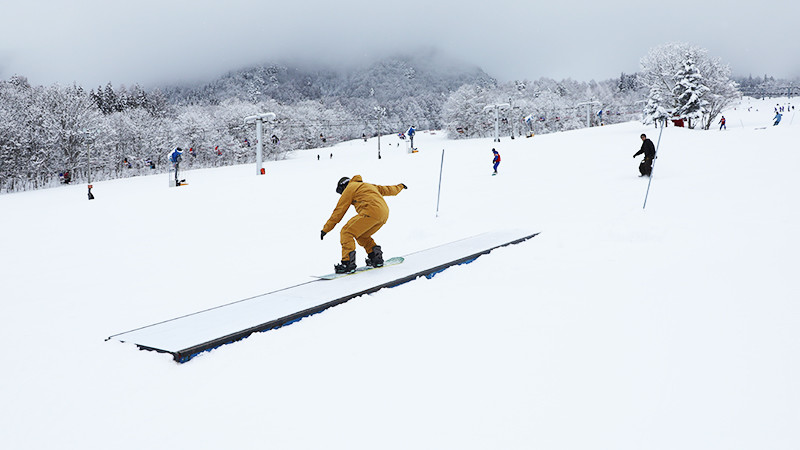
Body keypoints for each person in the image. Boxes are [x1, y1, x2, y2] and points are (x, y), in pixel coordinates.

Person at [320, 175, 406, 274]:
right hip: (384, 214)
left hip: (370, 212)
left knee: (346, 232)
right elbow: (388, 190)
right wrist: (400, 186)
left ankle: (347, 263)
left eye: (341, 192)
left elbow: (339, 210)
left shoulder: (350, 188)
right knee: (362, 235)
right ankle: (375, 257)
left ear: (343, 186)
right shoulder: (367, 185)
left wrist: (326, 229)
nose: (342, 194)